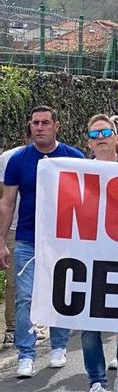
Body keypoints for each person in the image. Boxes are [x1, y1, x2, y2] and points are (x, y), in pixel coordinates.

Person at [0, 106, 83, 378]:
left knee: (60, 295)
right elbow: (7, 202)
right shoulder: (17, 160)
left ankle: (58, 346)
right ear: (30, 126)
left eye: (45, 122)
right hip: (27, 239)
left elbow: (88, 202)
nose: (40, 127)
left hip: (64, 242)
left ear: (56, 126)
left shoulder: (74, 157)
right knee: (25, 297)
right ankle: (26, 354)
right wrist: (1, 239)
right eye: (35, 123)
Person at [80, 114, 118, 392]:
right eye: (94, 135)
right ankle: (96, 379)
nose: (100, 138)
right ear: (88, 143)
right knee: (87, 320)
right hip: (89, 258)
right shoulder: (77, 171)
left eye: (105, 133)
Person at [0, 124, 28, 347]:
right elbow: (4, 197)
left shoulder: (53, 159)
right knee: (13, 281)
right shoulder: (10, 158)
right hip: (13, 227)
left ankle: (31, 323)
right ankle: (12, 328)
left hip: (40, 229)